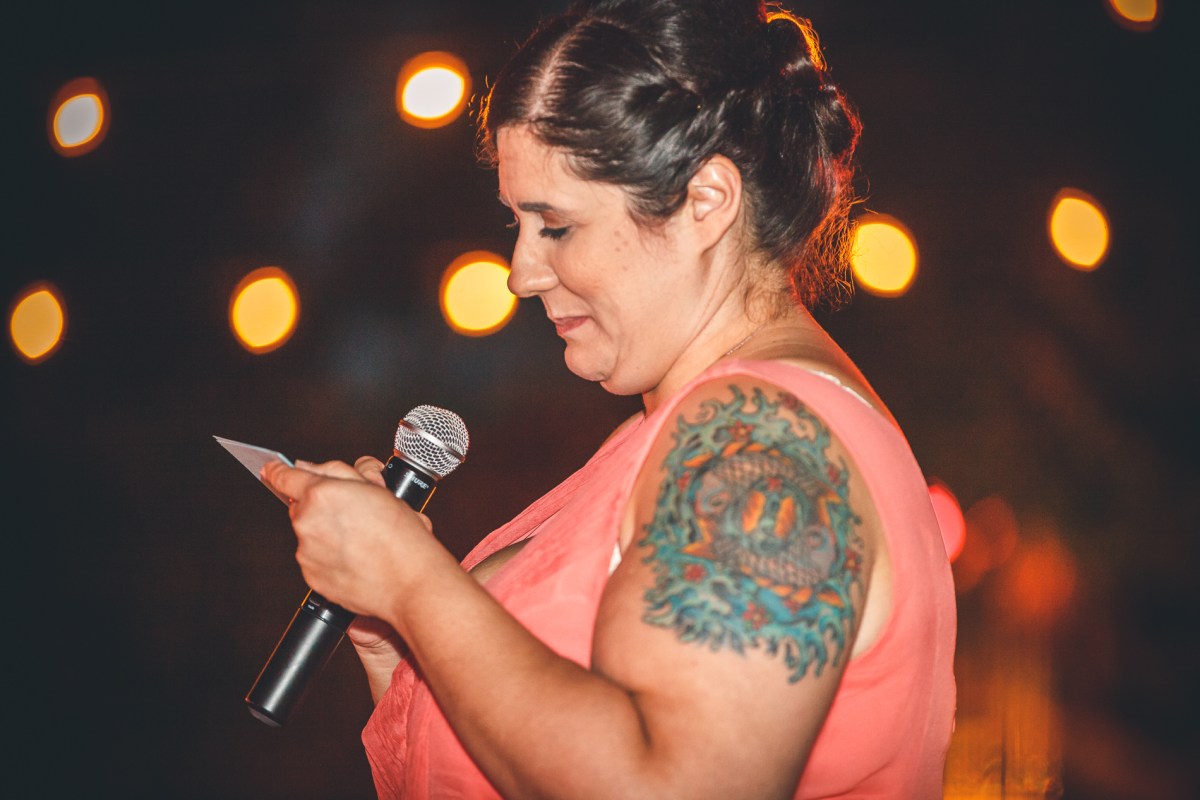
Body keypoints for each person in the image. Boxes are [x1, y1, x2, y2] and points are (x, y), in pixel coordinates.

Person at [262, 0, 957, 797]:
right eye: (518, 226)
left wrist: (416, 584)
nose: (522, 274)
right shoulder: (673, 432)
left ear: (706, 201)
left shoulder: (763, 442)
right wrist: (398, 638)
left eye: (556, 227)